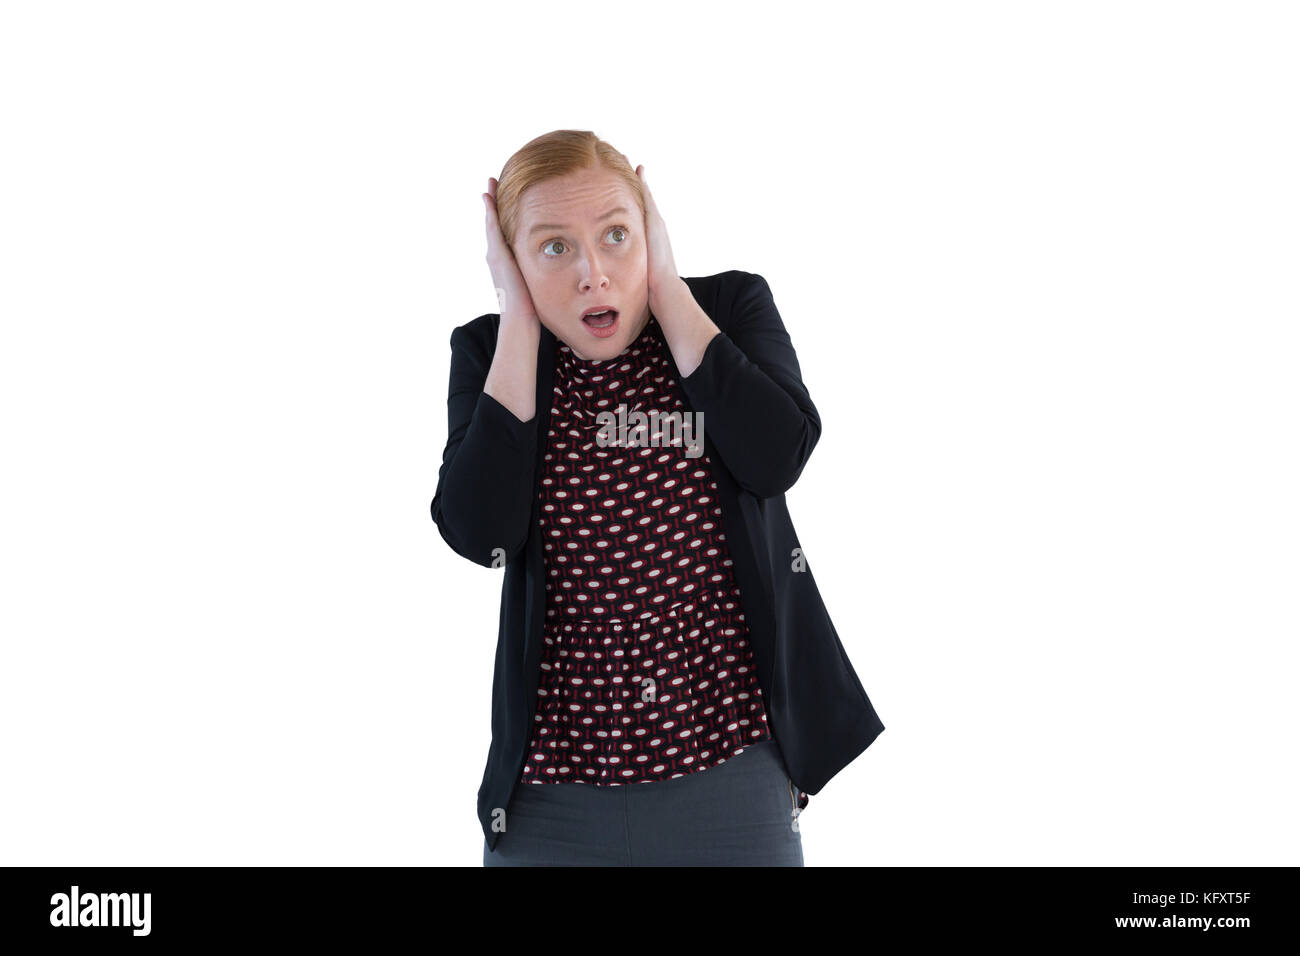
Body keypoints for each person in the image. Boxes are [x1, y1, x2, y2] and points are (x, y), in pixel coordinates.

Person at [431, 130, 885, 866]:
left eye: (616, 235)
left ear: (649, 225)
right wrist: (517, 315)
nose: (593, 274)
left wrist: (668, 290)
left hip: (733, 771)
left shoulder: (729, 308)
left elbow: (777, 457)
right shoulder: (493, 352)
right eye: (553, 248)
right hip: (553, 797)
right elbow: (481, 533)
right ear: (511, 261)